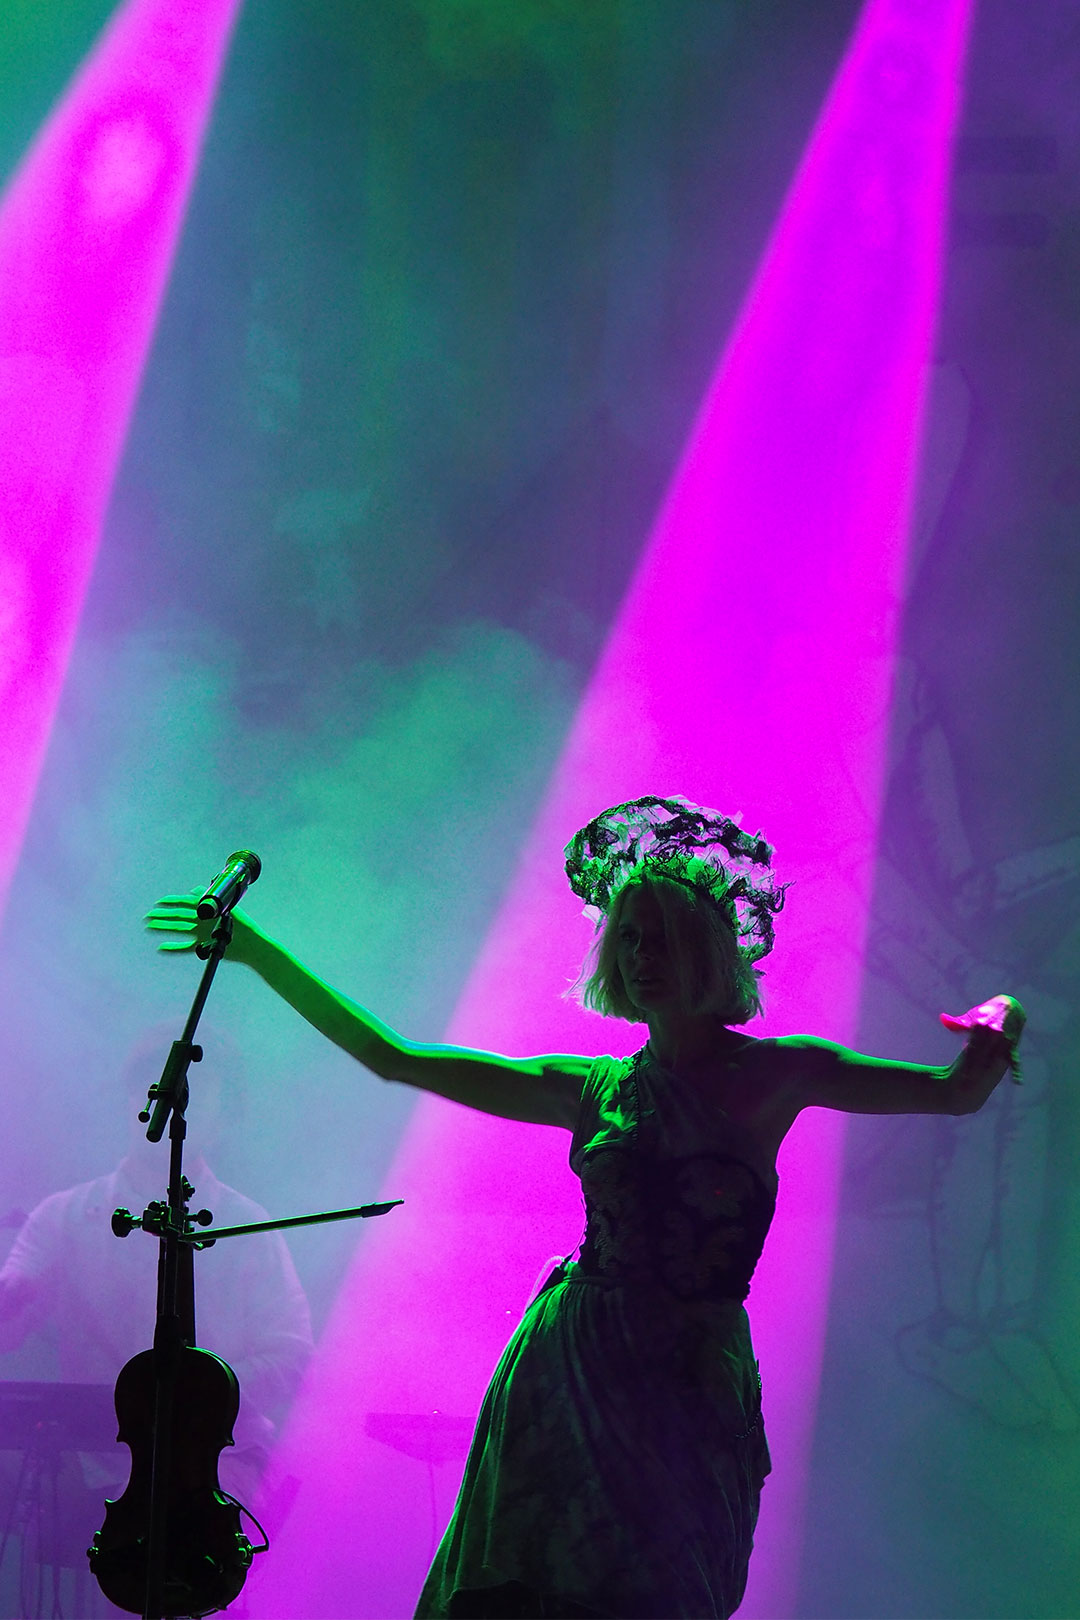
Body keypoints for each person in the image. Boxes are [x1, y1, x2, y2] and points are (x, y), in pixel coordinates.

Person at [145, 795, 1025, 1620]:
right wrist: (254, 953)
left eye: (664, 940)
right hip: (571, 1371)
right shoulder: (592, 1088)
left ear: (712, 954)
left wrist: (1004, 1017)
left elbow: (956, 1093)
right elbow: (395, 1058)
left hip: (688, 1380)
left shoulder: (777, 1072)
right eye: (630, 939)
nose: (643, 958)